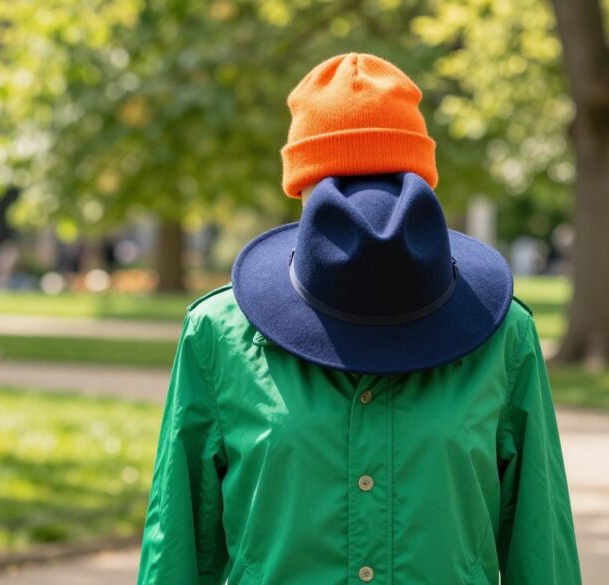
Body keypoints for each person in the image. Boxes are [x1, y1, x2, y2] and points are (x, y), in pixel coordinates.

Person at [137, 54, 581, 584]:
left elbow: (540, 546)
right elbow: (179, 548)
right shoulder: (218, 335)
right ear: (304, 191)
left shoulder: (504, 337)